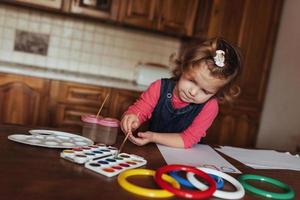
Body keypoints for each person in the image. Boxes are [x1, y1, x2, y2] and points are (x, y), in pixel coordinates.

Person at [120, 37, 243, 148]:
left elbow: (188, 139)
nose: (193, 92)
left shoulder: (210, 106)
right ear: (184, 67)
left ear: (217, 92)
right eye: (192, 80)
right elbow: (140, 110)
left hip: (185, 158)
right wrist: (132, 117)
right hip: (154, 151)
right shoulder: (159, 87)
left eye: (205, 91)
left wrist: (153, 137)